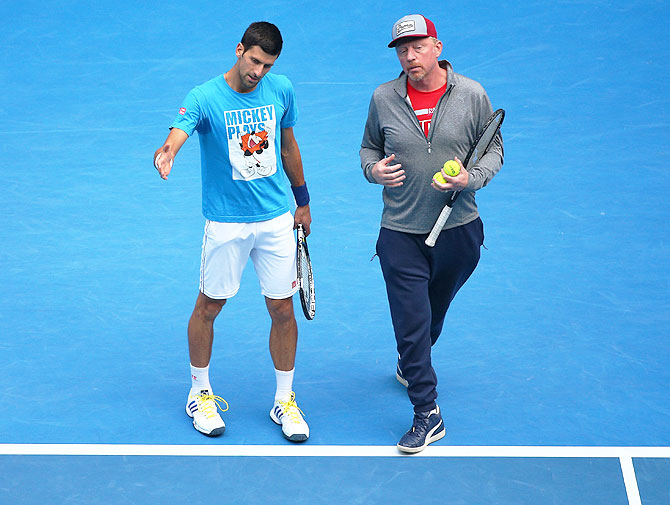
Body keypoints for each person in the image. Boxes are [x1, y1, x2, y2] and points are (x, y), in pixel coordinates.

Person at [153, 21, 311, 442]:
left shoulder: (281, 90)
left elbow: (288, 145)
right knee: (209, 306)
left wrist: (303, 201)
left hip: (276, 219)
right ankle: (199, 393)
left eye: (267, 65)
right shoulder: (205, 96)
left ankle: (284, 400)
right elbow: (180, 130)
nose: (258, 72)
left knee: (283, 310)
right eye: (254, 60)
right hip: (226, 222)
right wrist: (168, 151)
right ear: (239, 49)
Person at [360, 14, 503, 453]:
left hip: (459, 232)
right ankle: (427, 413)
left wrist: (470, 178)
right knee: (411, 321)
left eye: (418, 47)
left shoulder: (472, 94)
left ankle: (413, 358)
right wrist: (373, 170)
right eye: (402, 50)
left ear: (437, 48)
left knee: (429, 317)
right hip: (400, 232)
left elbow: (493, 147)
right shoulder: (384, 98)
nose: (409, 56)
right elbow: (368, 147)